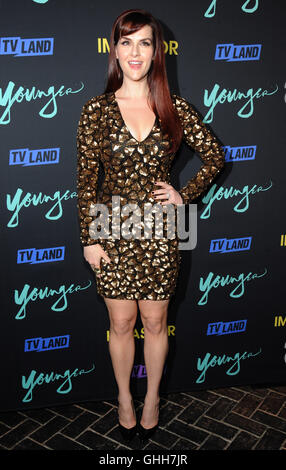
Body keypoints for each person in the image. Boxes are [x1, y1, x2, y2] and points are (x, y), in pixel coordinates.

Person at [76, 9, 225, 443]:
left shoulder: (173, 106)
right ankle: (124, 397)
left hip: (161, 229)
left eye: (144, 42)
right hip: (111, 228)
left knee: (155, 323)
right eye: (126, 42)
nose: (135, 51)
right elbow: (85, 182)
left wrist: (185, 194)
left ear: (156, 51)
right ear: (115, 51)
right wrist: (88, 239)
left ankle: (153, 398)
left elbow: (215, 155)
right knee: (121, 323)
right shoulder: (97, 110)